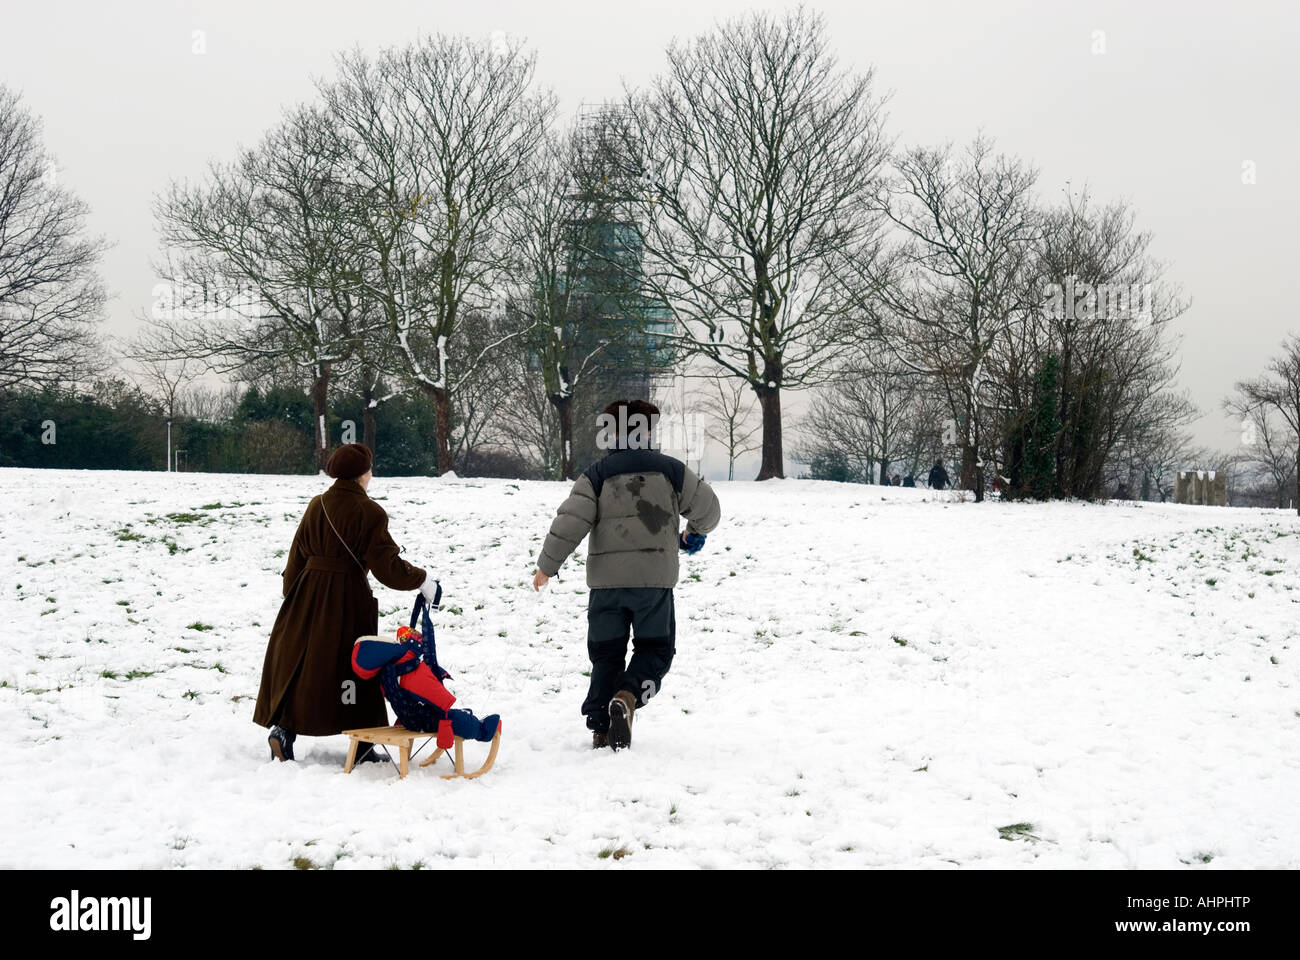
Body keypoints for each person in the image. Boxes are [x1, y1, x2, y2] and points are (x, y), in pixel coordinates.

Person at [531, 399, 721, 751]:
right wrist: (693, 534)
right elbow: (709, 509)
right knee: (656, 650)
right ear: (647, 431)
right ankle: (629, 694)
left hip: (606, 587)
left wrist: (547, 565)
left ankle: (602, 728)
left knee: (606, 654)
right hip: (654, 585)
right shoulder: (671, 471)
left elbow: (570, 523)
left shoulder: (596, 475)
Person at [253, 443, 441, 762]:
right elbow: (387, 568)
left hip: (304, 594)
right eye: (369, 470)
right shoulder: (369, 511)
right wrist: (422, 580)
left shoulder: (317, 505)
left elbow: (296, 555)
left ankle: (283, 731)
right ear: (362, 474)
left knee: (302, 666)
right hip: (346, 597)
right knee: (354, 666)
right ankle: (363, 744)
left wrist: (294, 598)